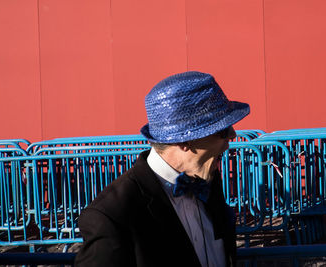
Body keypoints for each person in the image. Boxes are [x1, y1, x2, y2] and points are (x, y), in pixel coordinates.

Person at [75, 71, 250, 267]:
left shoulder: (207, 178)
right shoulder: (113, 216)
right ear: (185, 141)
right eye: (222, 129)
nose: (233, 135)